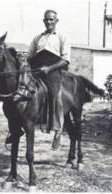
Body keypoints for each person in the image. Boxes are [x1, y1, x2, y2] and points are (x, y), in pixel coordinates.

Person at [27, 9, 71, 150]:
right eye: (46, 19)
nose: (49, 22)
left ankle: (58, 130)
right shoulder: (37, 38)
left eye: (51, 19)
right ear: (43, 21)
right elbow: (29, 56)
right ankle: (18, 126)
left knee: (56, 96)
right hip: (37, 70)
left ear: (56, 21)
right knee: (23, 91)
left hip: (55, 72)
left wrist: (49, 68)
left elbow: (65, 60)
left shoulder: (62, 37)